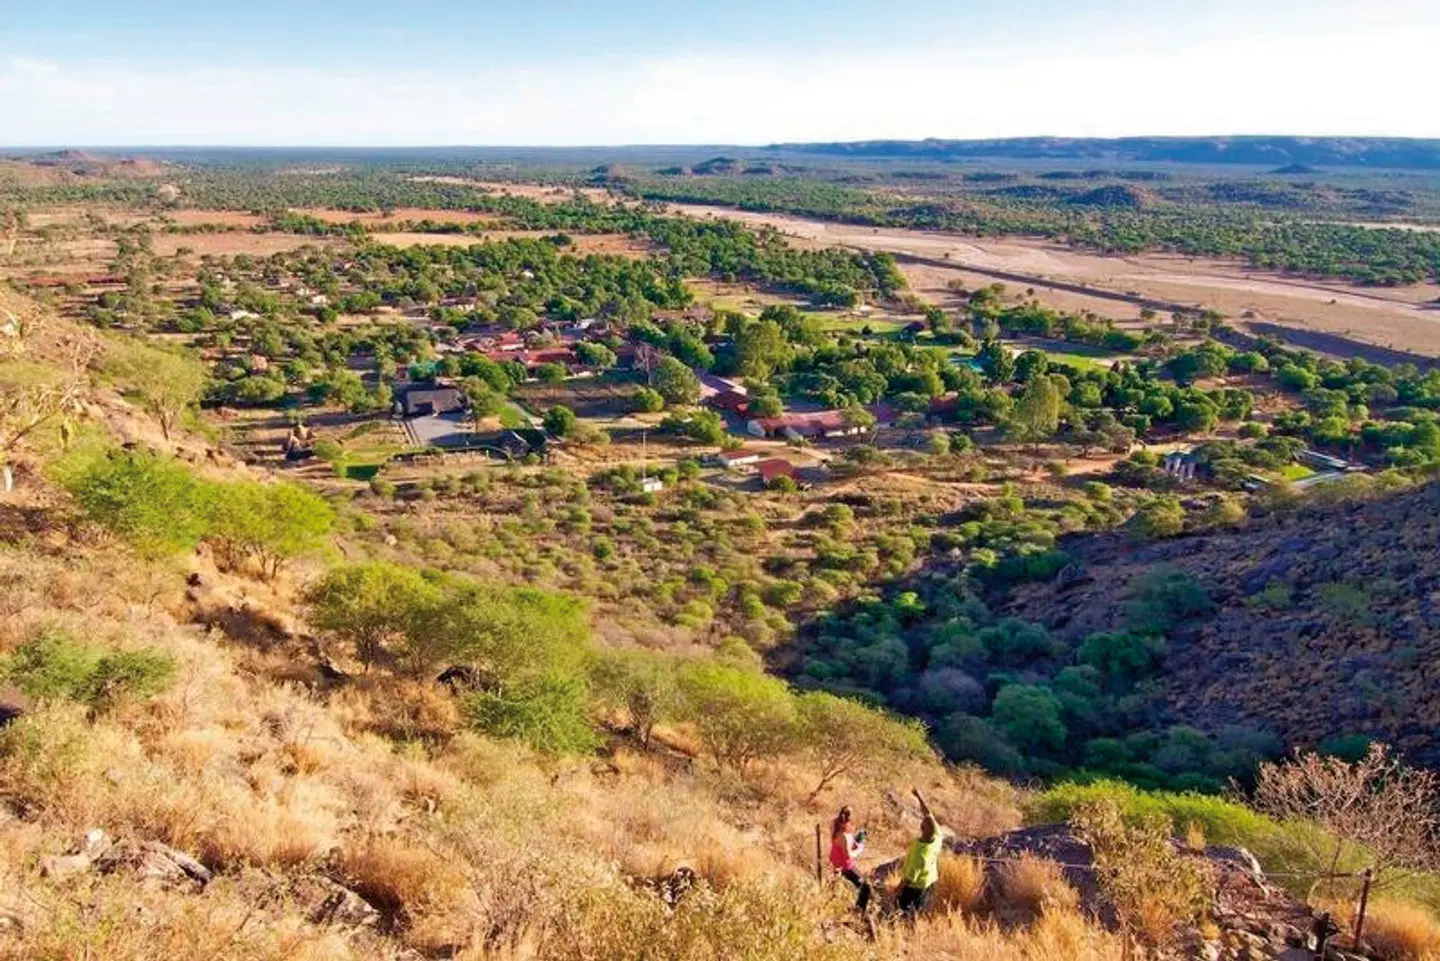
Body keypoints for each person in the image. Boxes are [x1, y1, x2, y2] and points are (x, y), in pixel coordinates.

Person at [897, 787, 946, 920]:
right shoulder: (937, 836)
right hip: (930, 881)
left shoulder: (920, 852)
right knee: (922, 911)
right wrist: (919, 797)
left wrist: (899, 889)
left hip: (915, 887)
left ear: (922, 829)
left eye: (922, 823)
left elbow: (910, 878)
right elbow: (928, 814)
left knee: (905, 912)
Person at [829, 806, 872, 912]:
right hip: (846, 867)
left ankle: (857, 909)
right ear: (850, 821)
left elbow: (843, 845)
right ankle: (859, 912)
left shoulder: (835, 825)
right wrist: (860, 850)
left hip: (838, 863)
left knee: (863, 886)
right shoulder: (844, 836)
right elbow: (848, 855)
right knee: (866, 887)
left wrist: (857, 838)